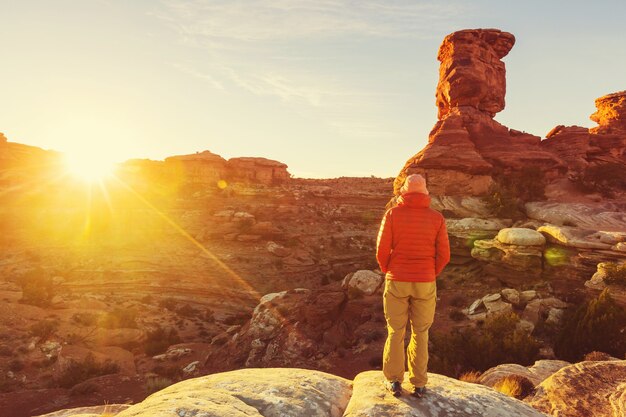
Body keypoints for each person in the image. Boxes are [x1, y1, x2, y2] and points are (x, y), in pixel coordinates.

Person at [376, 173, 450, 398]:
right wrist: (429, 273)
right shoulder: (437, 218)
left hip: (397, 280)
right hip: (425, 281)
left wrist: (389, 271)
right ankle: (418, 384)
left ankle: (395, 382)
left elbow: (381, 251)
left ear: (403, 192)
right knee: (421, 332)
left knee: (395, 331)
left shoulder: (392, 214)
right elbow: (444, 255)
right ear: (425, 193)